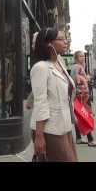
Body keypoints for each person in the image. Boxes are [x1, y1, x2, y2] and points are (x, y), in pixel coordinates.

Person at [30, 28, 77, 162]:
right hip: (50, 130)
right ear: (49, 44)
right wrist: (39, 136)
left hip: (64, 127)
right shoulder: (40, 67)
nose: (65, 42)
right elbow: (40, 102)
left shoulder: (59, 62)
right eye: (61, 39)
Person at [70, 51, 96, 148]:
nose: (83, 58)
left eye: (83, 56)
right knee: (85, 116)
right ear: (76, 58)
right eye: (80, 56)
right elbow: (73, 81)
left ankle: (79, 138)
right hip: (81, 96)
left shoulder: (79, 67)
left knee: (80, 117)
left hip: (81, 96)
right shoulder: (77, 67)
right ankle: (90, 139)